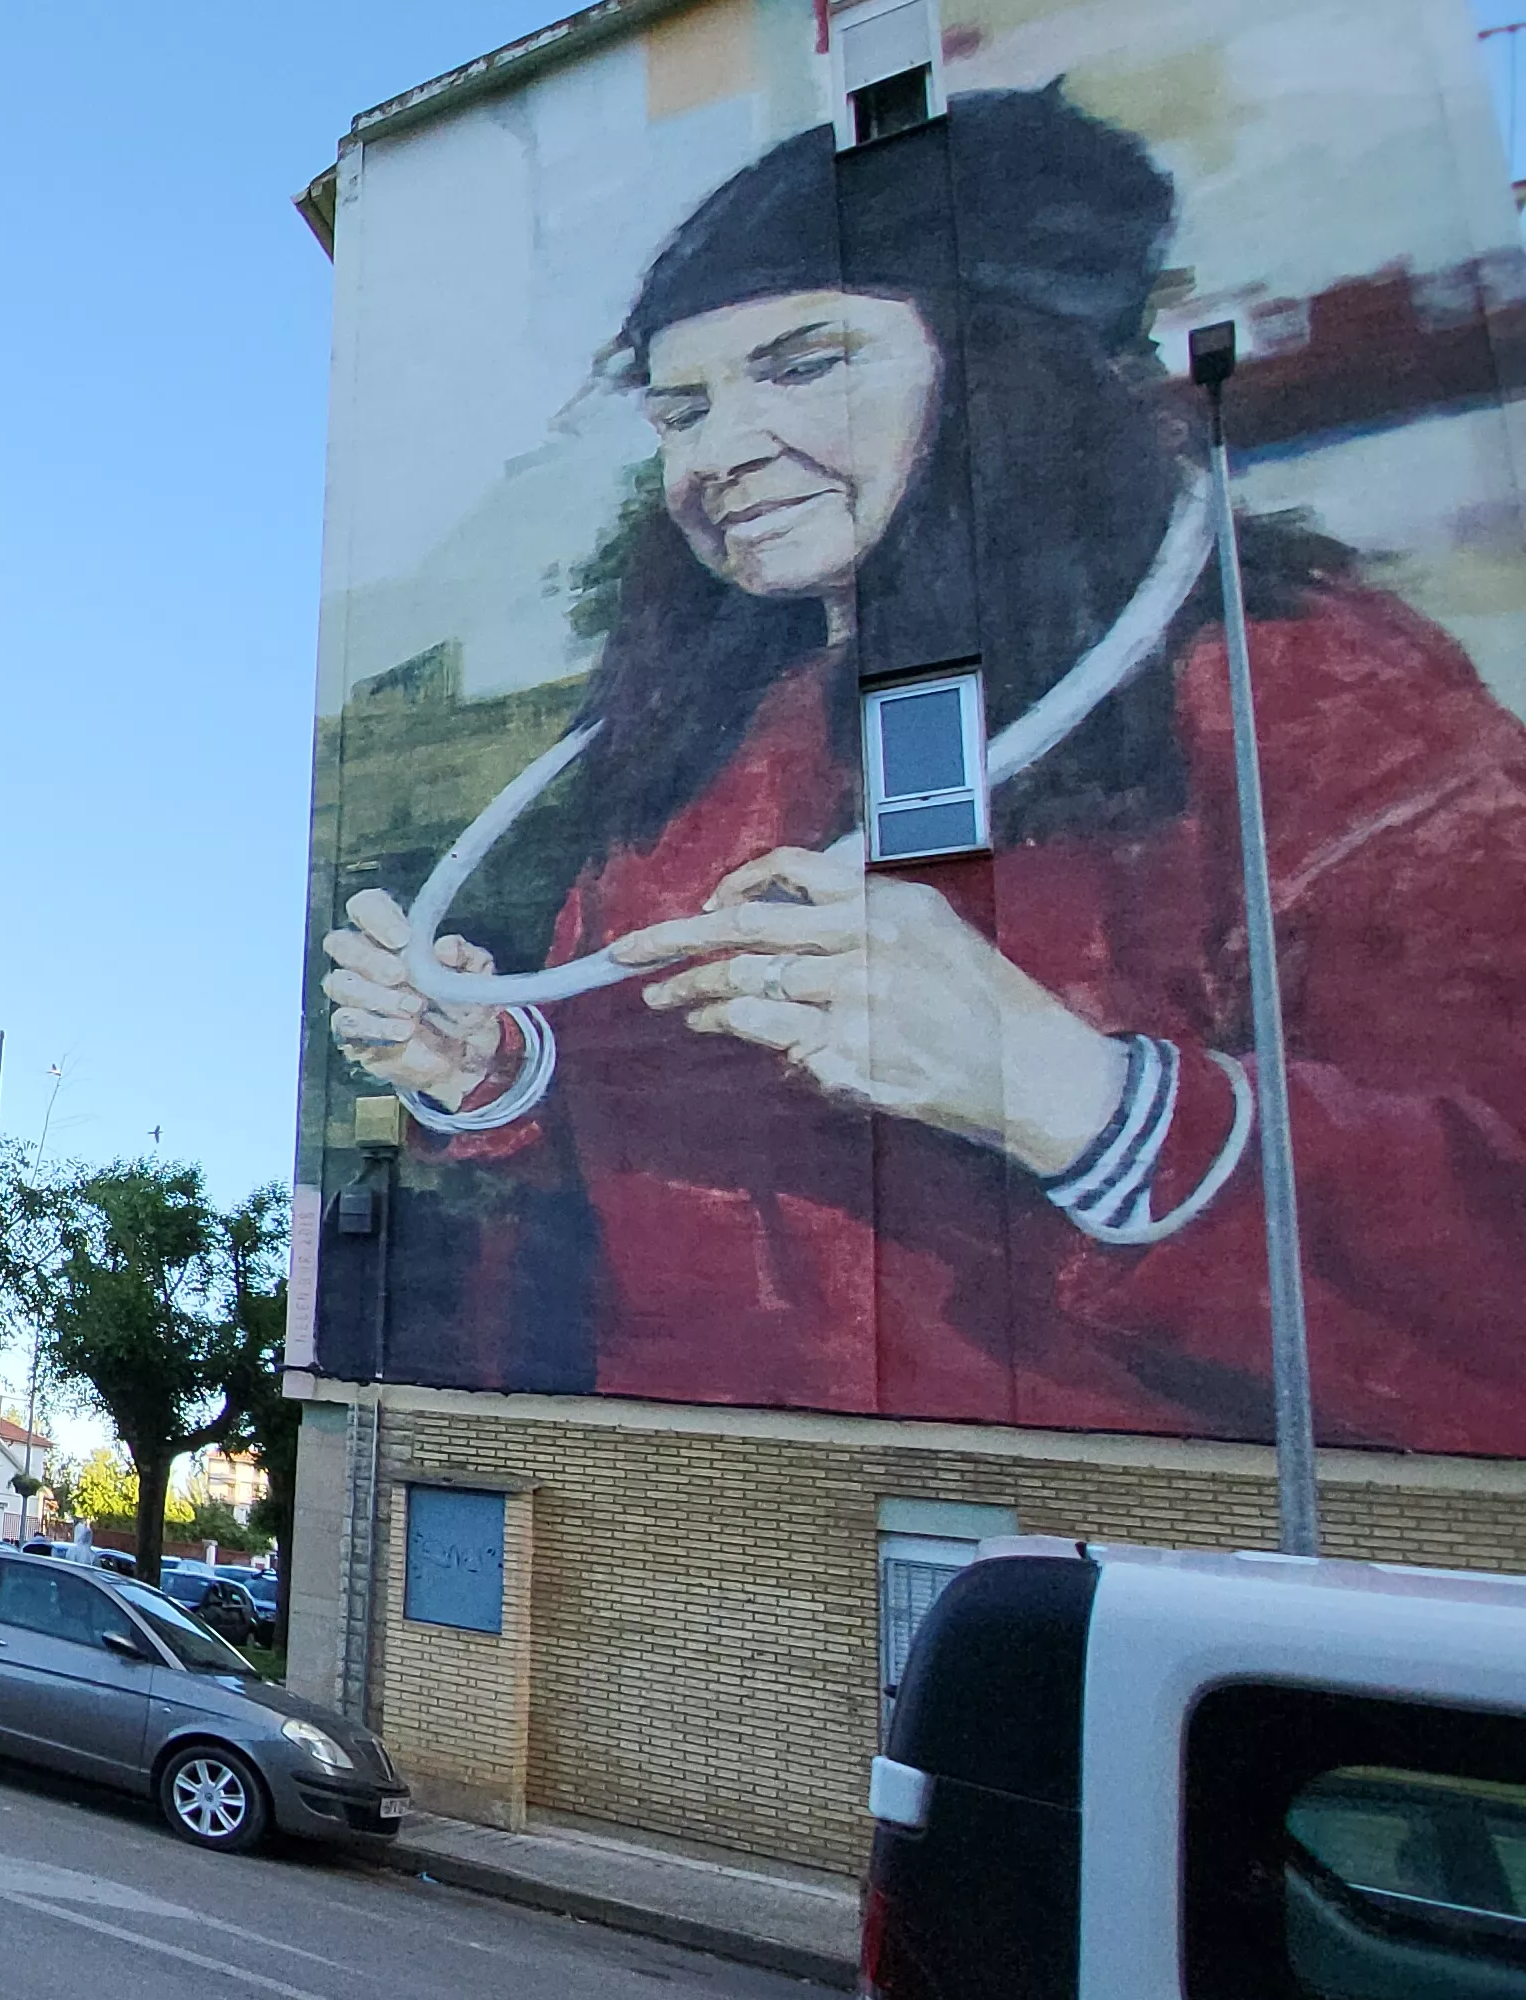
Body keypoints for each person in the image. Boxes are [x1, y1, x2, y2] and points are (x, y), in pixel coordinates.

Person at [319, 87, 1526, 1453]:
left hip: (1108, 1514)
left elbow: (1491, 1208)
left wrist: (1077, 1097)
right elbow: (647, 1108)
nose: (719, 454)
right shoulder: (712, 747)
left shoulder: (1307, 693)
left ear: (998, 366)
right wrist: (492, 1065)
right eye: (681, 409)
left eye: (804, 365)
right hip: (699, 1489)